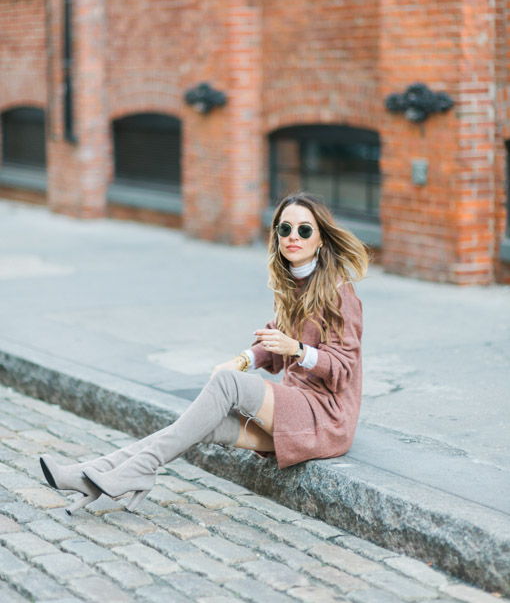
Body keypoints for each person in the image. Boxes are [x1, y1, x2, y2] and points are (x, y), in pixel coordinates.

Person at [40, 191, 368, 514]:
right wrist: (241, 360)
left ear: (321, 239)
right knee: (206, 424)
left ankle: (137, 471)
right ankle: (90, 475)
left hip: (325, 417)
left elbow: (343, 368)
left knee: (228, 384)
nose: (293, 236)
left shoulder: (340, 293)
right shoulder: (293, 285)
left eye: (304, 230)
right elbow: (272, 340)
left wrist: (296, 349)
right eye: (285, 229)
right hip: (296, 410)